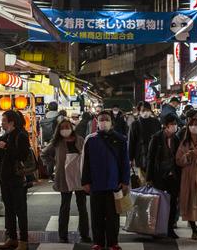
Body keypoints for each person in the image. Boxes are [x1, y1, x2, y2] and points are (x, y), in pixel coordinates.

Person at [82, 111, 130, 250]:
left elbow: (125, 162)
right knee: (96, 215)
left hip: (114, 184)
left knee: (113, 216)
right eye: (101, 119)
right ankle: (98, 242)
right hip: (96, 184)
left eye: (106, 119)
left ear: (111, 122)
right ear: (97, 121)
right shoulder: (91, 140)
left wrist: (124, 181)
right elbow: (86, 162)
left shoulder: (120, 139)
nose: (104, 122)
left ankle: (113, 242)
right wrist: (85, 181)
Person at [40, 119, 91, 244]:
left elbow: (87, 156)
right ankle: (62, 235)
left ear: (72, 127)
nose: (65, 129)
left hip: (79, 176)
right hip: (63, 177)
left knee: (82, 207)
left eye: (67, 126)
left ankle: (84, 234)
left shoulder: (80, 140)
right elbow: (44, 154)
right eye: (62, 127)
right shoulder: (56, 142)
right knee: (65, 206)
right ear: (59, 129)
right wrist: (52, 165)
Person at [0, 110, 31, 250]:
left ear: (12, 122)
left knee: (20, 210)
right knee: (9, 209)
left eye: (4, 120)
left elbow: (22, 155)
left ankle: (23, 241)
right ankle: (12, 238)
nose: (1, 123)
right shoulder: (5, 136)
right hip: (4, 178)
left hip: (17, 178)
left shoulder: (21, 135)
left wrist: (7, 147)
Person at [146, 114, 181, 239]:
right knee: (158, 203)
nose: (174, 126)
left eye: (175, 124)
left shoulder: (176, 139)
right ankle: (156, 228)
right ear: (165, 126)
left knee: (172, 203)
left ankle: (169, 228)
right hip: (158, 175)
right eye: (172, 124)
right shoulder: (156, 138)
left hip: (173, 176)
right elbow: (150, 158)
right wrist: (149, 178)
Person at [128, 101, 161, 184]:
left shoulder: (156, 122)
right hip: (141, 157)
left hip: (155, 157)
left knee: (154, 184)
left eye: (147, 110)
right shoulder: (135, 124)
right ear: (139, 111)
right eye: (143, 110)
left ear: (150, 110)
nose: (145, 112)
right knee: (143, 183)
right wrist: (130, 158)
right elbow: (131, 142)